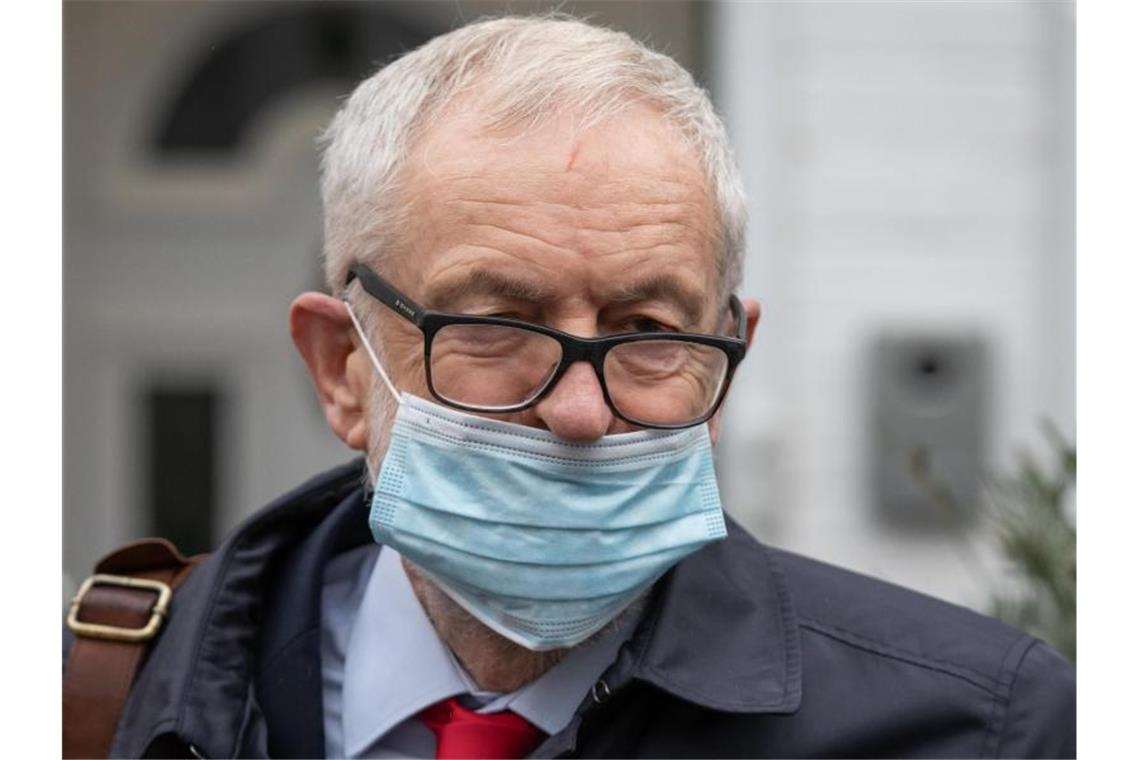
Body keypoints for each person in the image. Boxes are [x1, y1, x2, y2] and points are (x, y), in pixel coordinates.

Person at [64, 15, 1075, 759]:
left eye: (647, 329)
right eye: (496, 324)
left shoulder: (981, 729)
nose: (581, 412)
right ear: (342, 370)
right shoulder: (106, 702)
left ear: (727, 366)